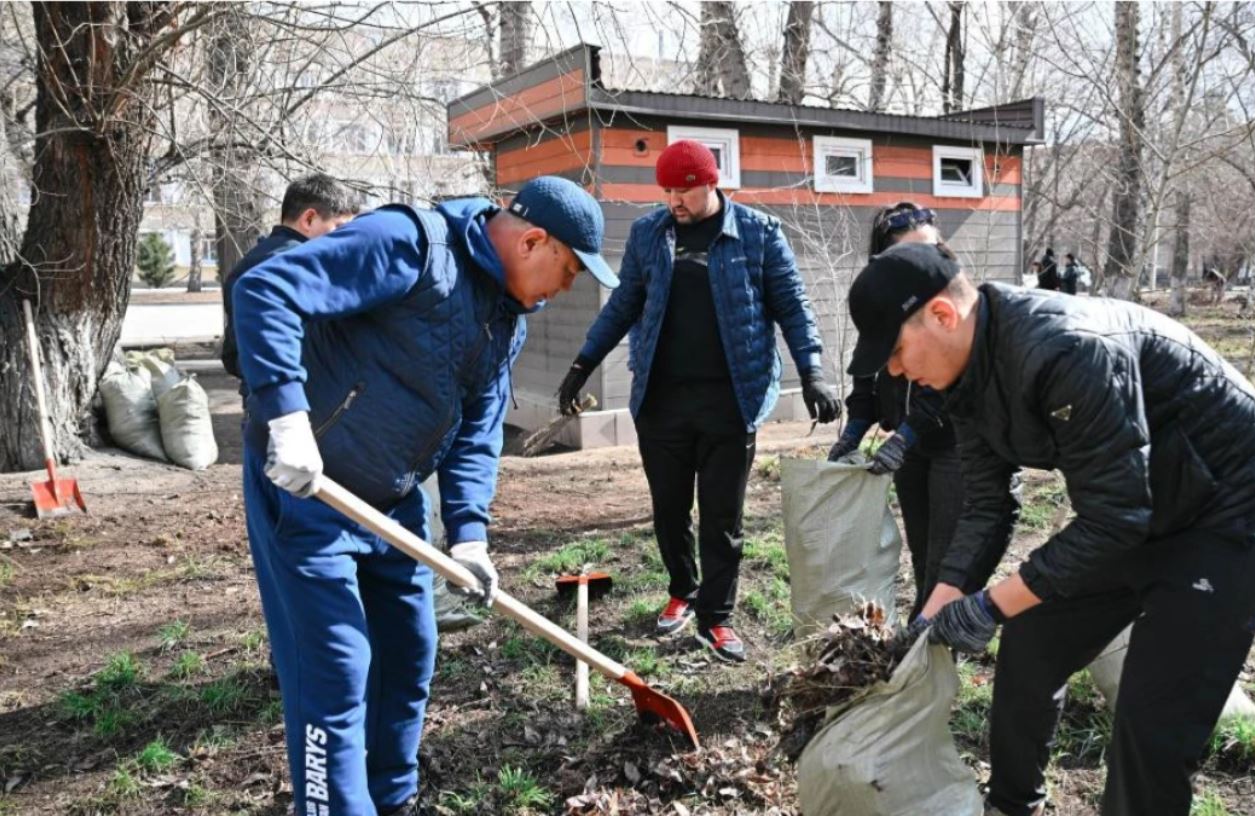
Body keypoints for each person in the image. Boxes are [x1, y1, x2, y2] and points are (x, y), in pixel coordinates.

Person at [848, 243, 1255, 816]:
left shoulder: (1066, 348)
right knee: (1033, 640)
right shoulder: (963, 378)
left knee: (1152, 721)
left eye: (895, 350)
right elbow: (987, 503)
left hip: (1226, 504)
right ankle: (1012, 805)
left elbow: (1113, 518)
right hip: (1136, 503)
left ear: (942, 315)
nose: (893, 371)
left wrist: (990, 606)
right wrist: (935, 612)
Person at [233, 176, 616, 816]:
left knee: (409, 651)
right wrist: (285, 416)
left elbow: (477, 433)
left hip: (395, 500)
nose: (566, 289)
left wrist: (469, 535)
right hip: (309, 491)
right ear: (532, 241)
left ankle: (392, 798)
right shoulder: (410, 243)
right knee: (337, 668)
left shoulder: (505, 320)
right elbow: (265, 289)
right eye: (570, 270)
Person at [556, 140, 840, 663]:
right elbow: (624, 304)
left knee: (722, 518)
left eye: (682, 191)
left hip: (731, 401)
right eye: (666, 191)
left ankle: (717, 617)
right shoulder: (649, 233)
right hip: (661, 401)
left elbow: (793, 306)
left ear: (711, 183)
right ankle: (682, 590)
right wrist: (581, 364)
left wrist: (813, 372)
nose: (673, 202)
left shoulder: (758, 233)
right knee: (669, 510)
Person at [827, 202, 970, 617]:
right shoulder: (883, 299)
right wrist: (854, 430)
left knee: (946, 554)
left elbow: (946, 388)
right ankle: (927, 626)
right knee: (922, 549)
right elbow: (867, 371)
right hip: (908, 446)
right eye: (910, 252)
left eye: (930, 249)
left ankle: (938, 634)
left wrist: (907, 435)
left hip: (953, 443)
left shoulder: (950, 308)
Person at [221, 173, 362, 392]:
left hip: (265, 391)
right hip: (294, 394)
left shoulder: (259, 258)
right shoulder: (298, 266)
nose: (345, 240)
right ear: (308, 219)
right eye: (340, 228)